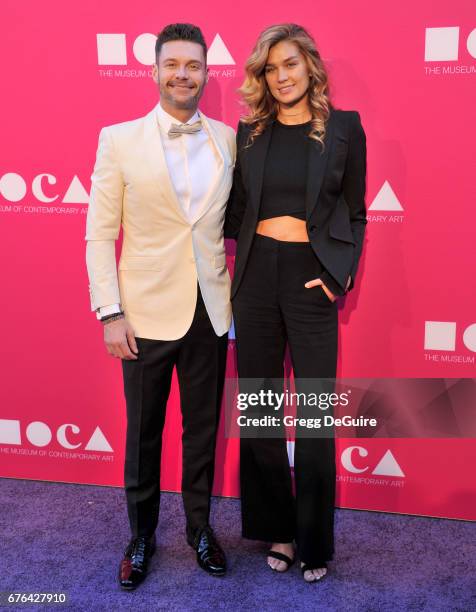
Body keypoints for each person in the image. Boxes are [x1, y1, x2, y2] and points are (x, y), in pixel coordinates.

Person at [86, 23, 235, 589]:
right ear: (154, 70)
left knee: (201, 432)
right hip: (142, 314)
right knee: (143, 433)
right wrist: (109, 311)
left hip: (210, 312)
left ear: (205, 72)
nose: (182, 74)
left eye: (192, 65)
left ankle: (200, 529)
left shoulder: (227, 138)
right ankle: (141, 535)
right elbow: (100, 233)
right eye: (172, 64)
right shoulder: (118, 139)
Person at [225, 23, 367, 583]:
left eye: (290, 64)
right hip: (256, 279)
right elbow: (234, 211)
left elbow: (354, 212)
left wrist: (340, 276)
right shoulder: (248, 133)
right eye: (270, 68)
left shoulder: (344, 130)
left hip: (311, 282)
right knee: (259, 412)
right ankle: (278, 531)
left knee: (311, 419)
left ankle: (313, 542)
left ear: (310, 66)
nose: (281, 77)